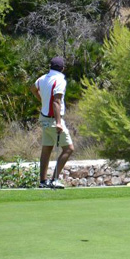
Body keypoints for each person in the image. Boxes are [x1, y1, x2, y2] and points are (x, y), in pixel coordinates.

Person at [30, 57, 74, 189]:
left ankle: (43, 181)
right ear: (62, 68)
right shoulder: (60, 80)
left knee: (47, 148)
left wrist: (42, 100)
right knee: (69, 149)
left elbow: (33, 88)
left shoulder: (43, 78)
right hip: (54, 120)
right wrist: (59, 122)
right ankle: (54, 179)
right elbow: (56, 101)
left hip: (43, 118)